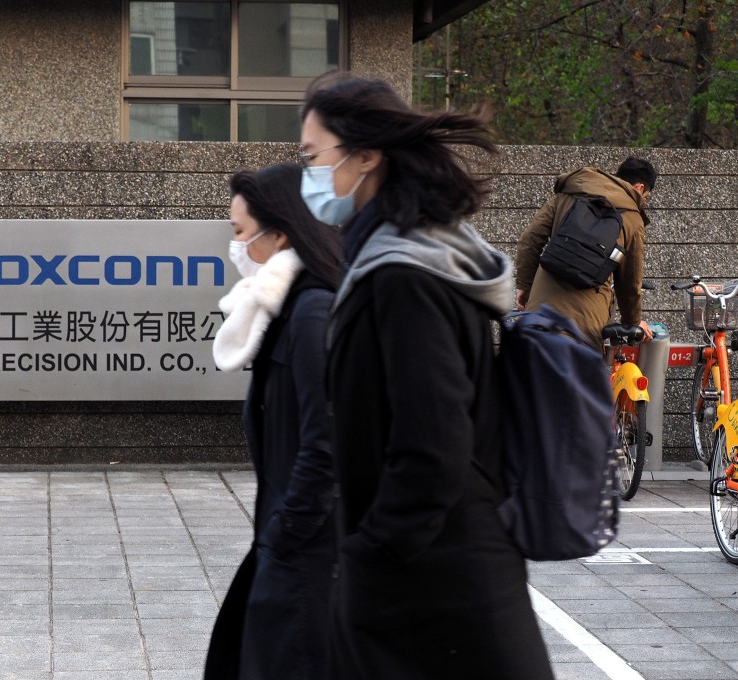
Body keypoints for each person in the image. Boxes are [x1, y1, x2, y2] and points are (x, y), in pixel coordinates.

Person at [299, 74, 554, 679]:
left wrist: (372, 553)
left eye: (312, 156)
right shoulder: (414, 253)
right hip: (440, 569)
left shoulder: (404, 275)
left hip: (436, 587)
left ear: (367, 155)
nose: (306, 172)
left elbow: (432, 445)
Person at [204, 162, 341, 680]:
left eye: (240, 233)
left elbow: (326, 441)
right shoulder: (283, 311)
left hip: (309, 552)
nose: (236, 247)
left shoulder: (312, 314)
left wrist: (288, 532)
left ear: (279, 233)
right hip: (288, 541)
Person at [515, 157, 658, 350]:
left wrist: (525, 285)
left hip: (540, 313)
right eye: (646, 197)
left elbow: (530, 239)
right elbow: (629, 281)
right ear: (640, 187)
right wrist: (632, 322)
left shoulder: (568, 194)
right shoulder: (633, 218)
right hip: (584, 324)